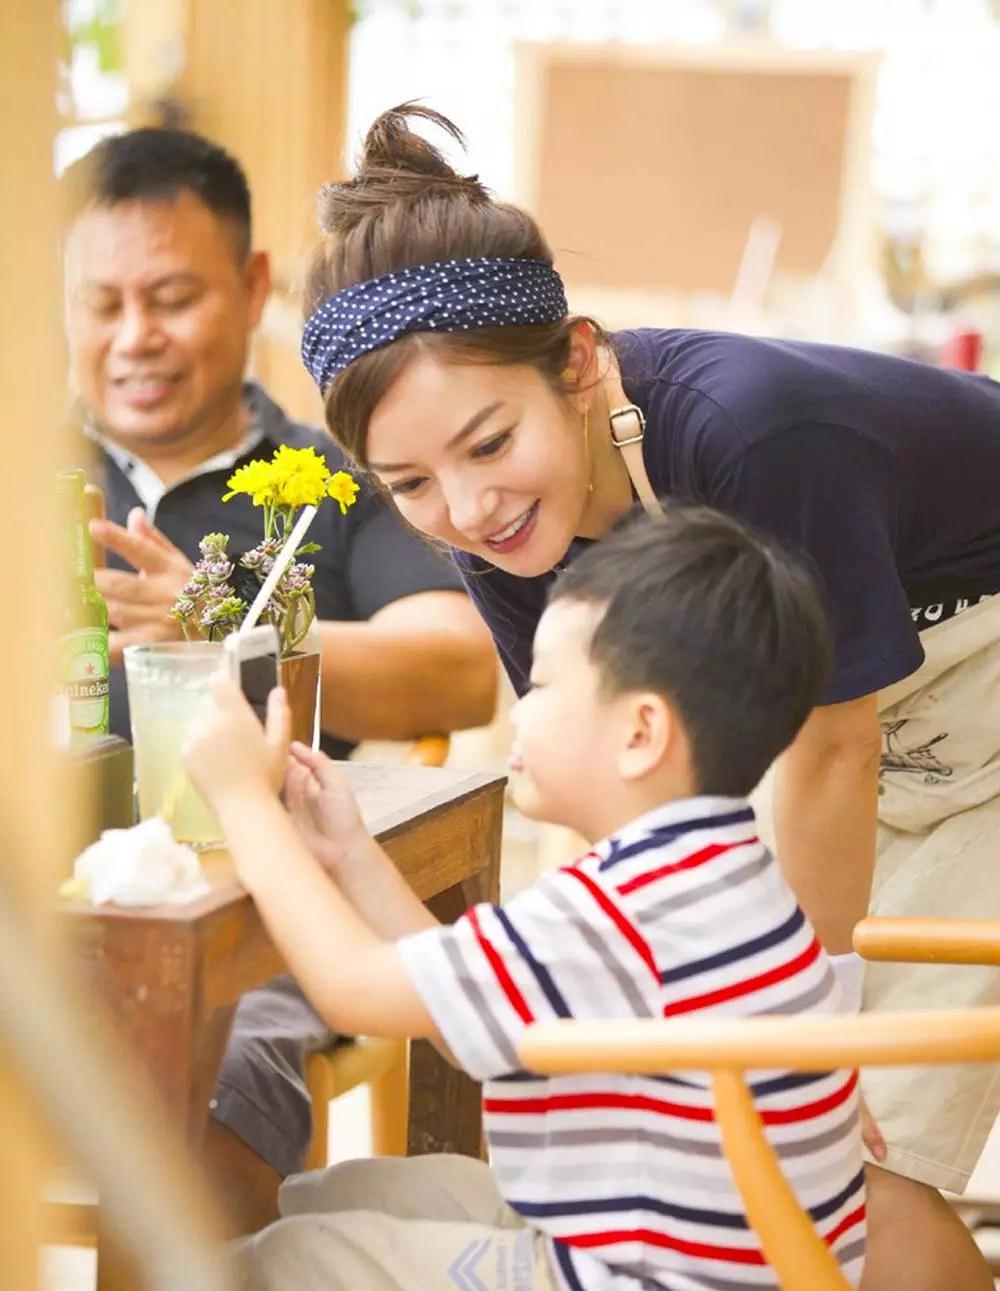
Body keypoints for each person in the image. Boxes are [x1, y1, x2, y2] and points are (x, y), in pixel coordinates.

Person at [291, 103, 1000, 1291]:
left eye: (484, 442)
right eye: (407, 482)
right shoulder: (500, 526)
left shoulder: (749, 434)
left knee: (855, 1136)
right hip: (852, 712)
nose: (463, 512)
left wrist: (787, 1041)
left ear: (575, 360)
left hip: (962, 675)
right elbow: (596, 803)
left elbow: (833, 752)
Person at [185, 505, 865, 1291]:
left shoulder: (614, 911)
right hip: (704, 1256)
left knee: (287, 1257)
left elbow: (355, 988)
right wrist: (350, 853)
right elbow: (457, 1001)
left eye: (541, 684)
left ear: (640, 733)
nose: (523, 704)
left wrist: (243, 804)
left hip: (637, 1275)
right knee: (331, 1194)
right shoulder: (716, 872)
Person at [59, 125, 498, 1233]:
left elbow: (458, 666)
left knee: (199, 1096)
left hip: (262, 920)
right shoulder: (30, 471)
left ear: (255, 287)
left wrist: (223, 627)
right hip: (39, 913)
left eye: (169, 297)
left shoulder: (334, 479)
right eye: (99, 304)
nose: (134, 339)